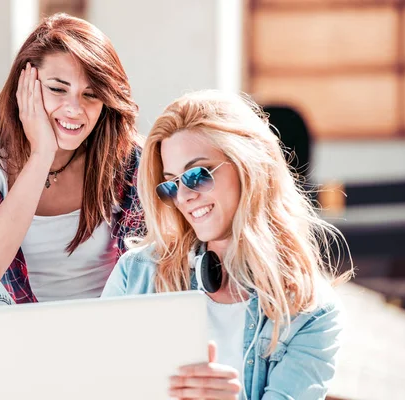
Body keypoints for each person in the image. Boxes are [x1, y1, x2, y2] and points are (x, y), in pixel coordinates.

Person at [0, 13, 144, 399]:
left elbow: (149, 268)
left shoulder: (126, 158)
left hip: (106, 345)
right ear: (26, 84)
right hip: (17, 341)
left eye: (91, 94)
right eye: (58, 89)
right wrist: (42, 152)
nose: (75, 109)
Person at [102, 90, 353, 399]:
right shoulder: (136, 275)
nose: (184, 197)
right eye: (171, 184)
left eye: (197, 174)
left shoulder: (311, 312)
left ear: (247, 166)